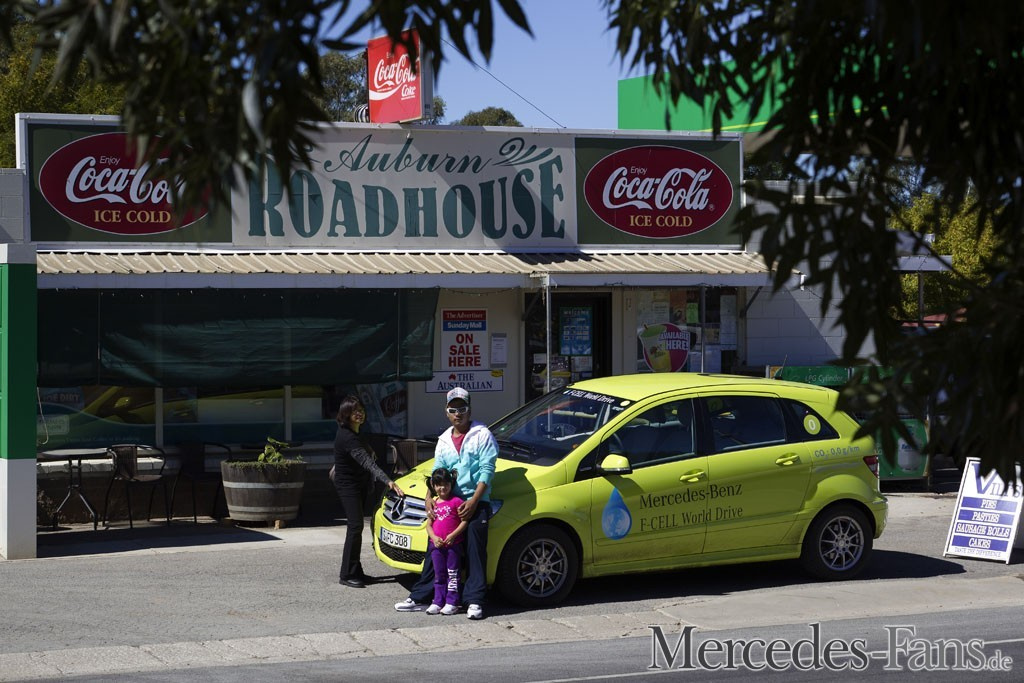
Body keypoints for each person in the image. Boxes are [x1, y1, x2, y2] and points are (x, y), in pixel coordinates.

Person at [395, 387, 498, 620]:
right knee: (435, 547)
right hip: (448, 503)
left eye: (462, 408)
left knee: (475, 549)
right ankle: (422, 596)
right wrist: (429, 498)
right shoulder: (443, 440)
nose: (457, 414)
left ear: (469, 410)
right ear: (446, 412)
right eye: (453, 409)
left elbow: (487, 470)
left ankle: (474, 600)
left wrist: (474, 501)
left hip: (475, 502)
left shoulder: (482, 434)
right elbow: (437, 472)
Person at [332, 394, 402, 588]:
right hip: (348, 485)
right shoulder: (347, 436)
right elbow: (367, 462)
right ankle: (346, 574)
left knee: (357, 527)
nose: (359, 414)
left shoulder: (357, 433)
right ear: (346, 414)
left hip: (359, 484)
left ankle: (356, 571)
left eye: (361, 410)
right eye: (355, 411)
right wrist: (388, 481)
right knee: (355, 526)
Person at [423, 467, 468, 615]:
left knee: (453, 574)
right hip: (436, 546)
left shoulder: (457, 501)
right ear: (433, 486)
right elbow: (428, 525)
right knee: (439, 575)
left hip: (453, 546)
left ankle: (452, 602)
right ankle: (438, 601)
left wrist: (453, 535)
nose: (442, 488)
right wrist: (434, 538)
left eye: (446, 484)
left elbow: (464, 521)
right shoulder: (434, 504)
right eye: (438, 485)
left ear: (451, 484)